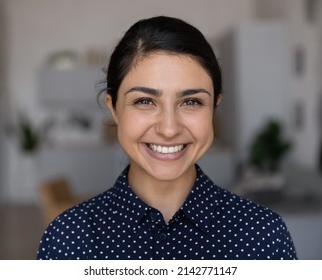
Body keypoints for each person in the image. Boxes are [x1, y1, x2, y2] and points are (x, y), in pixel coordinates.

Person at [37, 16, 297, 260]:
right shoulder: (68, 240)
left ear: (214, 107)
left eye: (191, 101)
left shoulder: (264, 236)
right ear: (114, 108)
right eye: (145, 101)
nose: (169, 129)